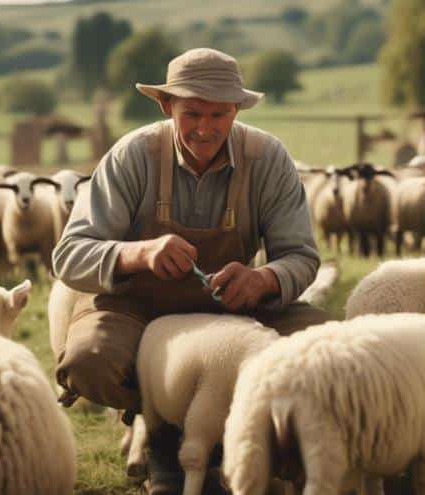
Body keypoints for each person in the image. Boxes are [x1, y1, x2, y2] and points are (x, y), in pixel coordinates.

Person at [51, 47, 331, 494]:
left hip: (234, 306)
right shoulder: (132, 155)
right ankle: (161, 432)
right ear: (167, 106)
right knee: (89, 361)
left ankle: (256, 438)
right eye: (192, 113)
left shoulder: (268, 158)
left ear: (236, 109)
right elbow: (69, 255)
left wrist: (263, 279)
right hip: (136, 305)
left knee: (326, 346)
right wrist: (138, 255)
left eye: (219, 114)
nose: (205, 128)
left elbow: (301, 255)